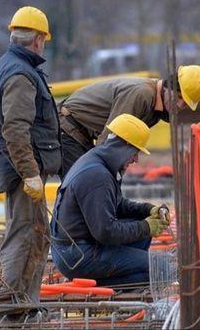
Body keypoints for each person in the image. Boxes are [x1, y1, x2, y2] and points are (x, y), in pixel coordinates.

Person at [0, 5, 60, 315]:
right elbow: (15, 129)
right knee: (24, 236)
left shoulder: (9, 66)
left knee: (37, 234)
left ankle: (25, 304)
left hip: (18, 167)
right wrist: (29, 174)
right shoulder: (19, 74)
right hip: (22, 170)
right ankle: (13, 309)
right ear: (38, 39)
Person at [51, 114, 169, 286]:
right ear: (124, 146)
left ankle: (113, 271)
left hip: (76, 248)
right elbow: (105, 232)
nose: (136, 159)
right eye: (135, 152)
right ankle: (96, 282)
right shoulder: (97, 176)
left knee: (143, 234)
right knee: (161, 268)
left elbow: (117, 204)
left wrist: (147, 210)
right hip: (77, 256)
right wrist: (145, 226)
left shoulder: (99, 162)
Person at [58, 66, 200, 178]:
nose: (179, 105)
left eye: (184, 103)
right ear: (168, 86)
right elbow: (110, 138)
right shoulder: (142, 95)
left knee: (91, 184)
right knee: (84, 185)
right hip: (69, 127)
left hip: (82, 132)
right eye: (178, 97)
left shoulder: (156, 107)